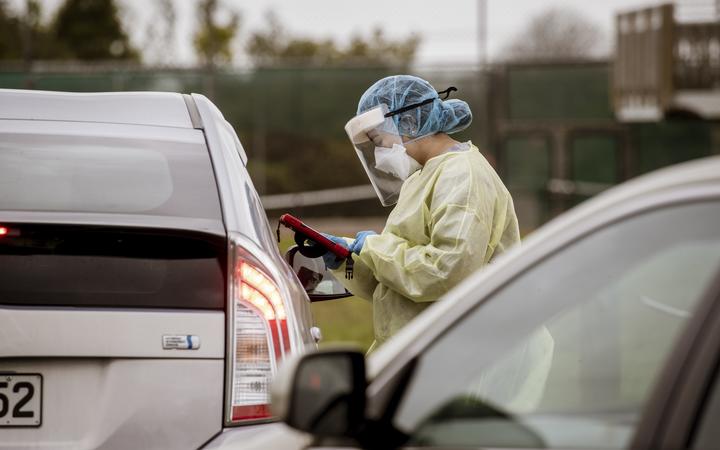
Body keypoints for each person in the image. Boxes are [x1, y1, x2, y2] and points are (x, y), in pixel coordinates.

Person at [321, 75, 520, 350]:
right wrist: (349, 258)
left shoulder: (463, 175)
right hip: (423, 349)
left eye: (378, 139)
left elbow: (448, 272)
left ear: (410, 123)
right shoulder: (421, 177)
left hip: (465, 352)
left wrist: (375, 249)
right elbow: (400, 285)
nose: (378, 153)